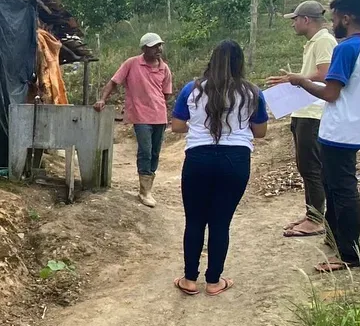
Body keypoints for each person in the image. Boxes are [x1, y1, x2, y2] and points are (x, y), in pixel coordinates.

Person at [287, 0, 360, 272]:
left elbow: (331, 93)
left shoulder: (346, 49)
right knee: (334, 183)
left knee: (343, 190)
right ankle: (336, 240)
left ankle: (349, 254)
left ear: (346, 19)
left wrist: (301, 82)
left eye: (335, 18)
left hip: (338, 131)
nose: (332, 23)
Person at [170, 40, 269, 296]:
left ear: (211, 60)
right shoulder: (253, 93)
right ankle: (214, 281)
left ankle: (190, 279)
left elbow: (178, 126)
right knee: (220, 222)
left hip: (198, 159)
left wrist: (200, 124)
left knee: (194, 221)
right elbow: (260, 132)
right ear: (240, 63)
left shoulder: (192, 89)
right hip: (235, 160)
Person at [267, 1, 337, 237]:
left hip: (314, 112)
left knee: (311, 167)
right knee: (305, 166)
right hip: (304, 110)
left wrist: (296, 79)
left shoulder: (325, 41)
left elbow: (326, 74)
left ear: (306, 20)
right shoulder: (314, 43)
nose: (293, 24)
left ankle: (316, 219)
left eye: (295, 19)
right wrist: (294, 80)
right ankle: (312, 214)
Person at [93, 32, 173, 207]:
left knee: (155, 152)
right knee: (145, 149)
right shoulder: (132, 63)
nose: (158, 49)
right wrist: (102, 99)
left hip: (159, 116)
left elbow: (166, 94)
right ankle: (145, 192)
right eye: (154, 46)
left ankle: (148, 186)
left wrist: (156, 105)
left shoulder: (164, 68)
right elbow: (113, 82)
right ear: (144, 48)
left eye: (160, 45)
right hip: (140, 115)